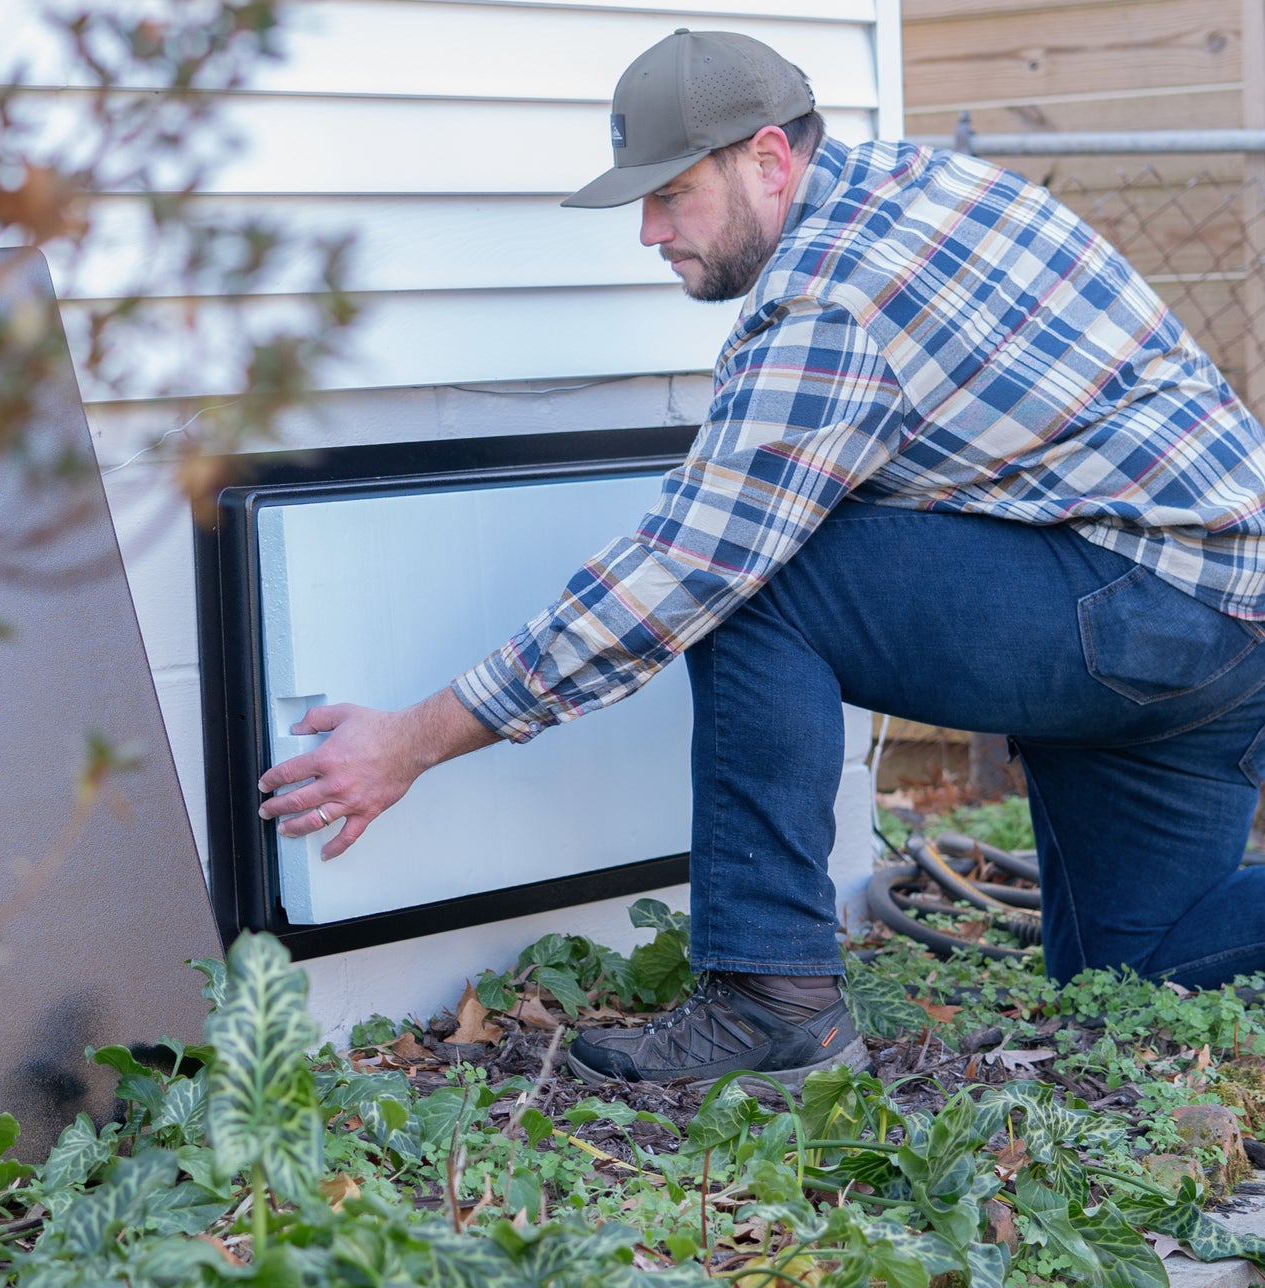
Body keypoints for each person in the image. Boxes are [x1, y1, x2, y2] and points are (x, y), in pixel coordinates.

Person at [260, 29, 1265, 1093]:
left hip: (1143, 602)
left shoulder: (831, 304)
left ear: (770, 161)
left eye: (673, 196)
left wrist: (414, 740)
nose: (650, 233)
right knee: (1138, 968)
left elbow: (690, 566)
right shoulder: (910, 180)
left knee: (758, 582)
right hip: (1216, 622)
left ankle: (769, 1001)